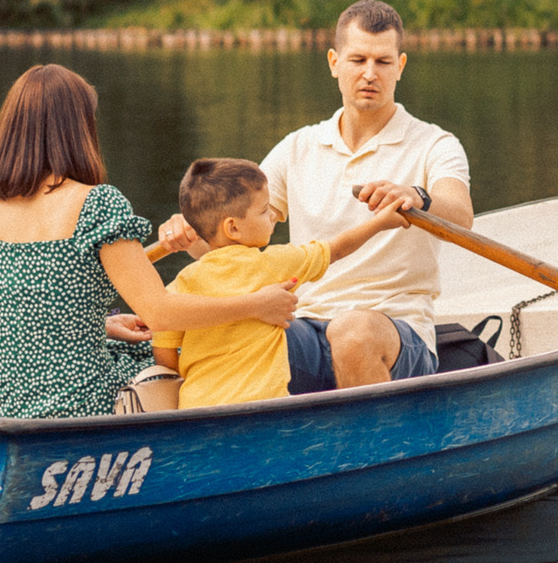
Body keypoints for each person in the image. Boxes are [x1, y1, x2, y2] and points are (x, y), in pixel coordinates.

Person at [159, 0, 474, 392]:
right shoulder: (298, 147)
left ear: (401, 66)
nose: (370, 74)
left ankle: (378, 450)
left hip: (391, 331)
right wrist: (193, 235)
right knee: (220, 330)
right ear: (334, 63)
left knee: (352, 333)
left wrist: (417, 196)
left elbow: (461, 217)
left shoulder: (434, 144)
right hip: (303, 328)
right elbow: (232, 242)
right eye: (358, 60)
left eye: (383, 62)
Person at [0, 64, 297, 420]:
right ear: (76, 130)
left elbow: (16, 312)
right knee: (187, 355)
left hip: (0, 397)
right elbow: (160, 313)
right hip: (77, 399)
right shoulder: (96, 204)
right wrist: (255, 304)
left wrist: (97, 323)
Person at [149, 158, 412, 408]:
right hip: (261, 404)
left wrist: (195, 374)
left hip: (197, 405)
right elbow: (337, 249)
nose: (273, 217)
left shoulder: (180, 284)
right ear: (233, 228)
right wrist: (380, 222)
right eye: (264, 211)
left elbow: (165, 351)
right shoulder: (274, 264)